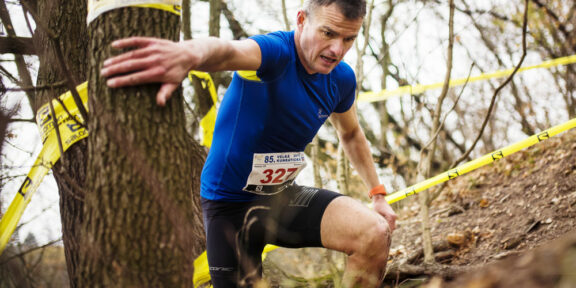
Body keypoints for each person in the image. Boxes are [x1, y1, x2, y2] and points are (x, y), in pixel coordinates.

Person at [101, 0, 397, 286]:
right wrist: (189, 53)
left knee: (374, 232)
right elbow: (227, 51)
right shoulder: (276, 52)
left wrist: (378, 193)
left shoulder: (341, 78)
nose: (337, 49)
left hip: (281, 198)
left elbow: (350, 133)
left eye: (349, 39)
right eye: (328, 33)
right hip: (229, 209)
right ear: (302, 20)